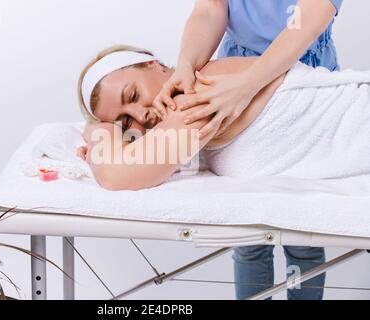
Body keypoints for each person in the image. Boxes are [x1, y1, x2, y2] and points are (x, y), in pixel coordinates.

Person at [77, 44, 370, 299]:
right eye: (125, 119)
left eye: (133, 95)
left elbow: (118, 176)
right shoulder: (178, 118)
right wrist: (120, 138)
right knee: (253, 248)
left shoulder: (193, 93)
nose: (141, 115)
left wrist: (98, 132)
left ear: (153, 64)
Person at [151, 0, 343, 300]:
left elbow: (308, 17)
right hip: (233, 85)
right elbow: (209, 9)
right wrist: (187, 63)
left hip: (300, 83)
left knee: (303, 234)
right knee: (250, 236)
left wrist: (248, 85)